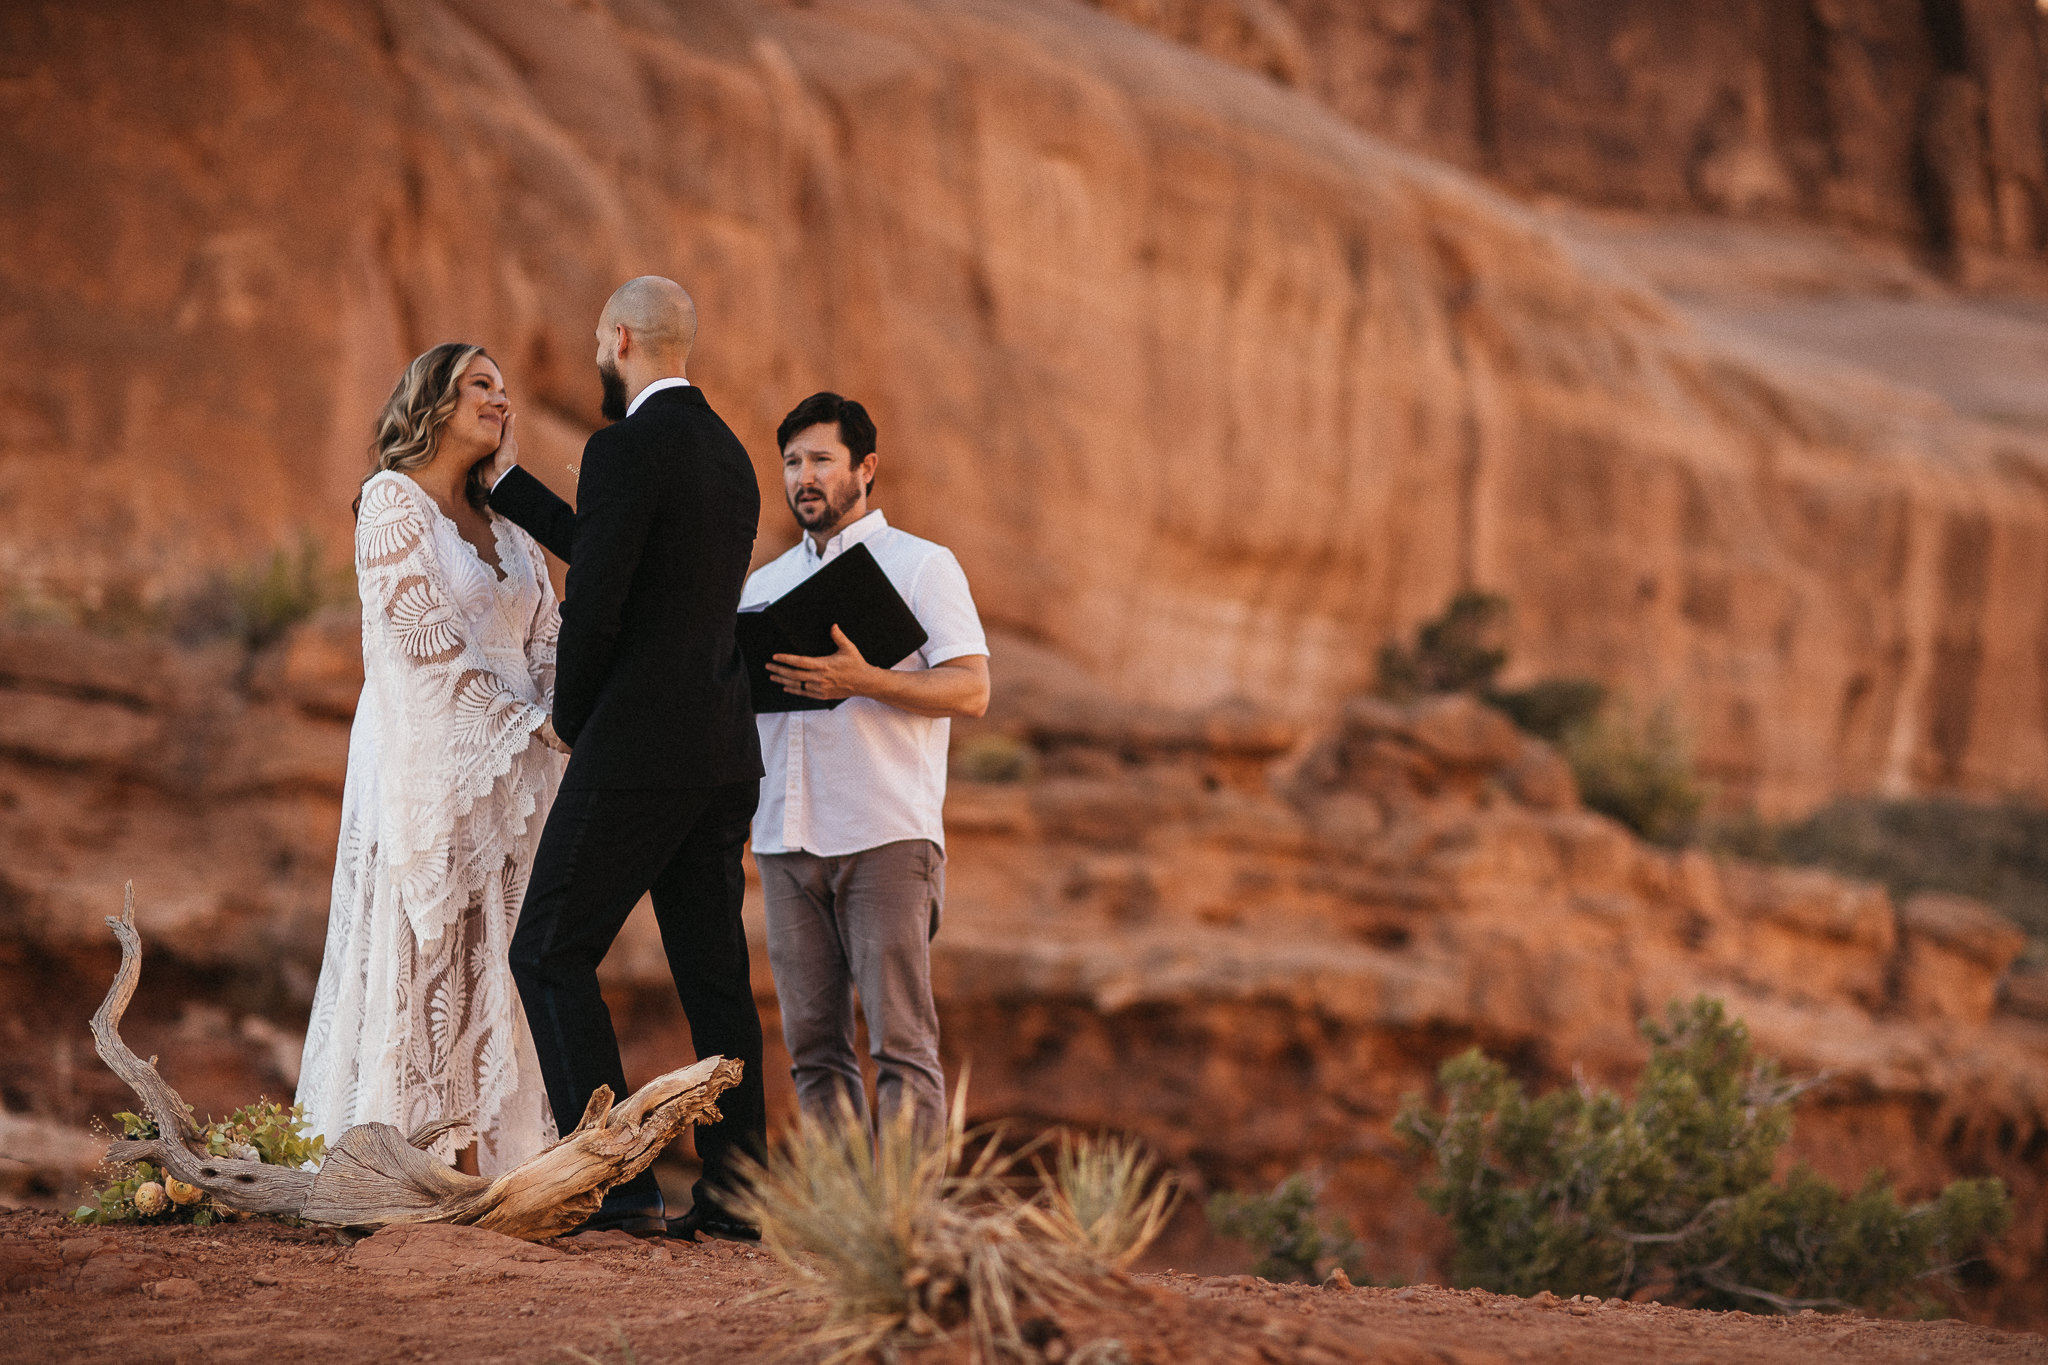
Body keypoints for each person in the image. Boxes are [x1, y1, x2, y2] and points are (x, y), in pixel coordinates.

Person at [483, 277, 767, 1240]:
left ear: (620, 338)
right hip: (724, 753)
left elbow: (596, 604)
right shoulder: (730, 456)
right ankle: (737, 1195)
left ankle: (617, 1185)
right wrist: (513, 492)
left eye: (602, 346)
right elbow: (626, 561)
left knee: (548, 948)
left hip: (638, 749)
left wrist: (570, 716)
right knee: (714, 975)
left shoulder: (622, 447)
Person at [297, 343, 566, 1177]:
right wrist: (523, 723)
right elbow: (423, 643)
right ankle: (415, 1163)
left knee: (510, 954)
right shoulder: (391, 502)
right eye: (480, 384)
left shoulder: (514, 523)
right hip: (427, 758)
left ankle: (497, 1165)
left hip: (518, 774)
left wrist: (562, 715)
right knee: (430, 953)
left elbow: (548, 634)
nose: (501, 398)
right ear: (434, 403)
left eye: (503, 387)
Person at [744, 392, 990, 1138]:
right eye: (792, 462)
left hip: (884, 834)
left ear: (865, 467)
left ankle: (903, 1236)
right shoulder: (762, 586)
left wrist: (864, 681)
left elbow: (972, 688)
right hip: (786, 842)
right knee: (813, 1049)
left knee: (901, 1045)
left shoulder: (921, 564)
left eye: (821, 459)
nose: (804, 477)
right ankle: (839, 1233)